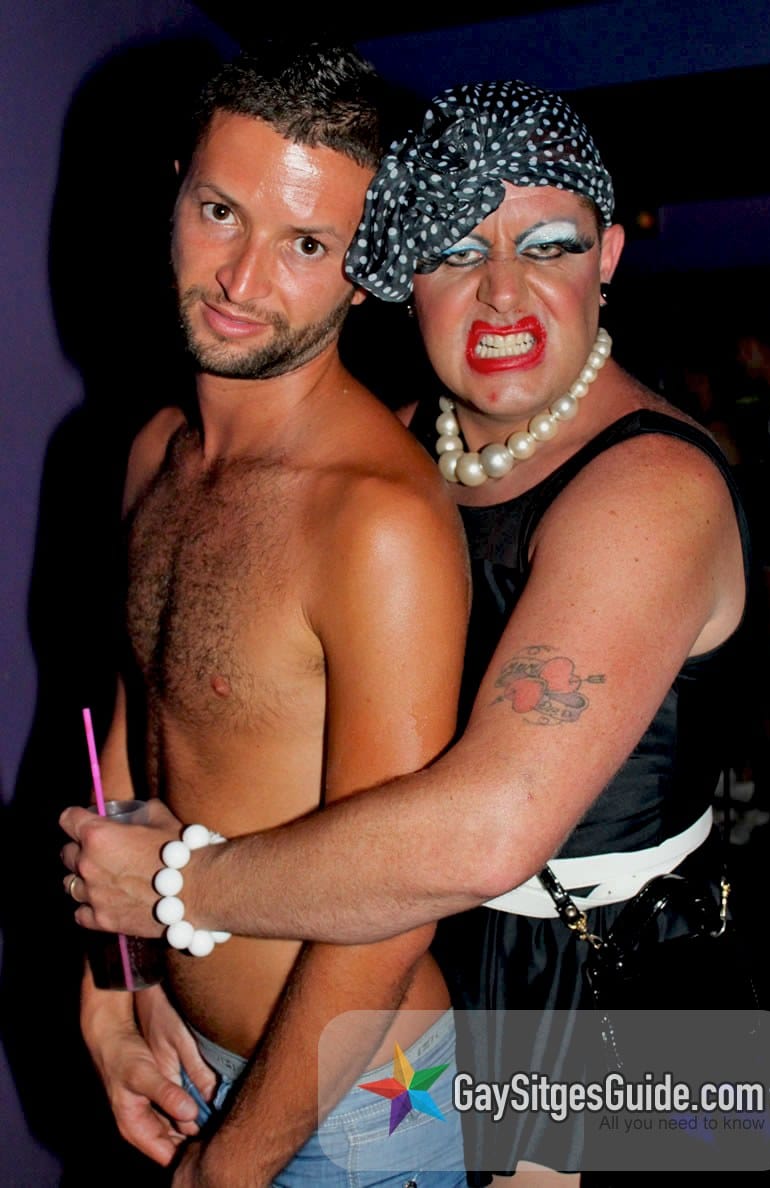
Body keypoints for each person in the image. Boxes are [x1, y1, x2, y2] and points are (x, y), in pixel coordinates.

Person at [62, 80, 754, 1181]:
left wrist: (172, 890)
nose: (502, 292)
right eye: (454, 250)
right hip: (420, 987)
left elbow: (486, 831)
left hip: (608, 1006)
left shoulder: (651, 493)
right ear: (400, 278)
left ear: (611, 257)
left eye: (550, 245)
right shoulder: (392, 450)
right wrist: (125, 970)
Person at [60, 41, 472, 1188]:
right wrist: (116, 988)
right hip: (187, 1056)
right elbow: (137, 736)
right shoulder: (155, 453)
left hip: (357, 1110)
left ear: (363, 270)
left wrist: (232, 1164)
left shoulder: (376, 522)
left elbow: (396, 901)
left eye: (306, 244)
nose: (242, 280)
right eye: (219, 213)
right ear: (176, 193)